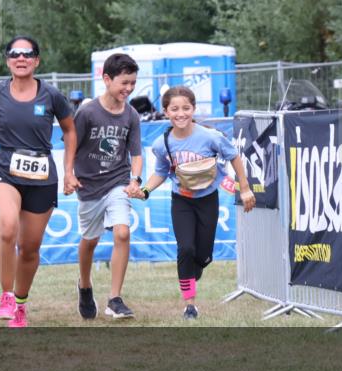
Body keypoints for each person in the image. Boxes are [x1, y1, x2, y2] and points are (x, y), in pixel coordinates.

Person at [0, 36, 76, 327]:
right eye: (15, 53)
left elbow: (70, 130)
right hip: (5, 169)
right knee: (7, 228)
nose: (21, 58)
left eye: (28, 54)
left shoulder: (51, 95)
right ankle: (6, 296)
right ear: (8, 60)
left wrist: (69, 171)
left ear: (37, 61)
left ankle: (21, 303)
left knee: (29, 248)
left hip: (41, 174)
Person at [131, 85, 256, 318]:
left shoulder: (210, 137)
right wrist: (145, 190)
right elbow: (161, 171)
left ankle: (194, 269)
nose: (181, 114)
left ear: (193, 109)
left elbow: (234, 157)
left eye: (186, 108)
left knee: (204, 255)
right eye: (174, 109)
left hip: (208, 199)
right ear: (166, 112)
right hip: (181, 201)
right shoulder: (162, 144)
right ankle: (190, 305)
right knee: (185, 249)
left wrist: (245, 188)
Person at [71, 53, 143, 320]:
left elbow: (136, 154)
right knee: (89, 241)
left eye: (133, 83)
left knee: (122, 233)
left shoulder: (132, 115)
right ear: (106, 79)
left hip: (118, 182)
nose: (128, 88)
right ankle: (85, 285)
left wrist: (135, 180)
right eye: (124, 83)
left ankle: (114, 299)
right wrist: (69, 174)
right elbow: (71, 146)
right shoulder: (87, 111)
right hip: (89, 186)